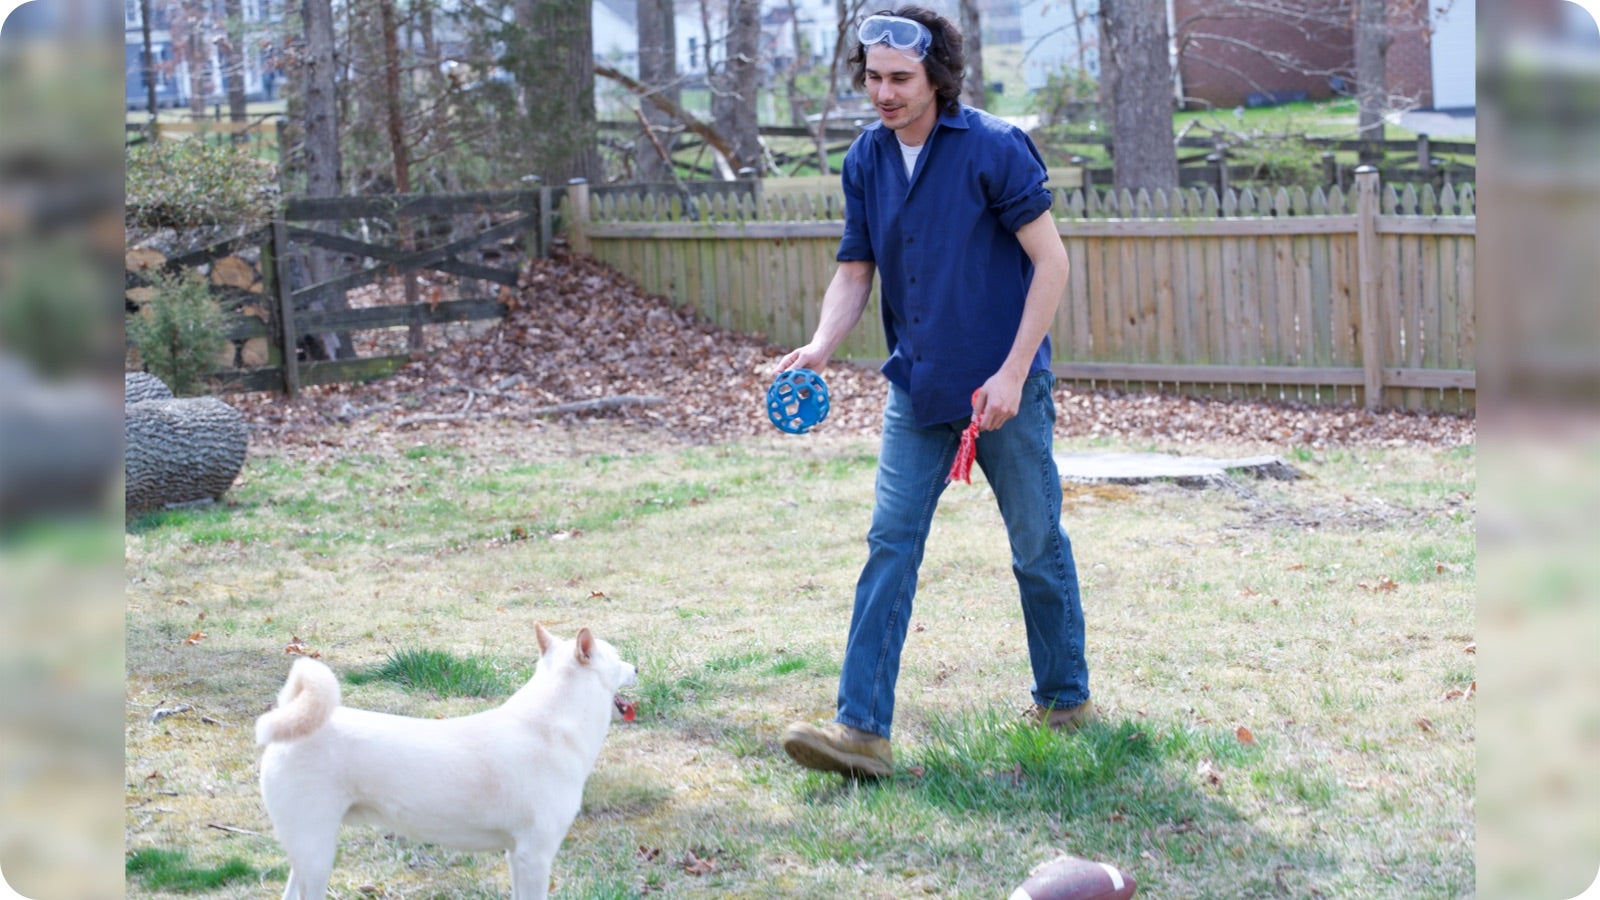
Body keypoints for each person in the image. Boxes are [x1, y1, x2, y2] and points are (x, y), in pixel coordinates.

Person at [775, 6, 1093, 779]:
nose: (883, 93)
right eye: (873, 77)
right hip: (917, 391)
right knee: (890, 545)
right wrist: (821, 346)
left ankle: (1064, 700)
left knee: (1036, 548)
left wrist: (1015, 372)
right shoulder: (867, 159)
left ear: (937, 79)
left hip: (1002, 391)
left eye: (900, 79)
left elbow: (1052, 265)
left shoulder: (993, 147)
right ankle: (862, 733)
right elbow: (856, 270)